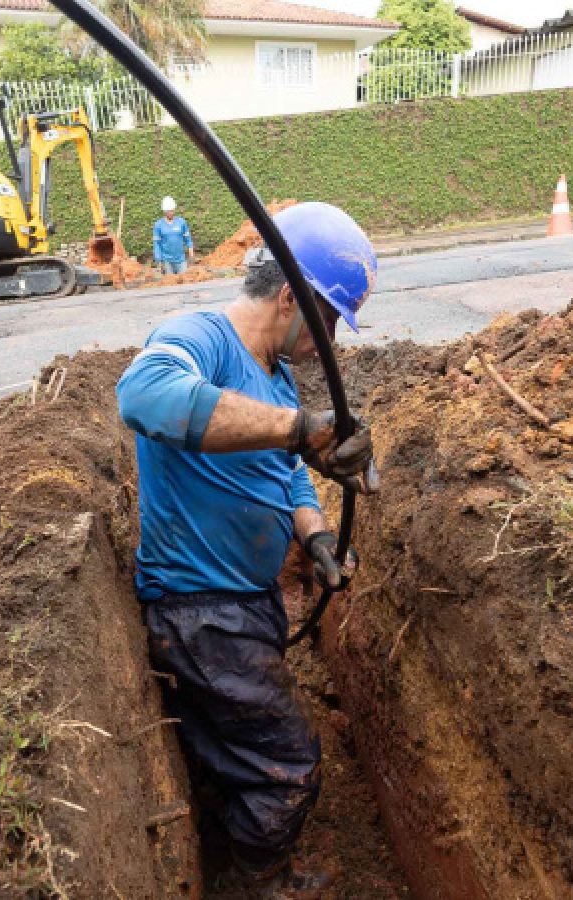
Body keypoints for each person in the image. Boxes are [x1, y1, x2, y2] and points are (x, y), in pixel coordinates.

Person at [116, 202, 378, 898]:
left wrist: (316, 534)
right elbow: (145, 394)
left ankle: (234, 836)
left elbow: (287, 471)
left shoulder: (274, 373)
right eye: (328, 322)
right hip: (201, 612)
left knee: (233, 752)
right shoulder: (198, 335)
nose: (330, 343)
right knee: (287, 762)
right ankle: (257, 881)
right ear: (292, 296)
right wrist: (299, 428)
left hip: (245, 606)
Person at [153, 195, 194, 275]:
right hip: (167, 261)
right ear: (164, 211)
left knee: (185, 282)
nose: (171, 212)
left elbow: (188, 240)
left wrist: (191, 255)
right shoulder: (158, 225)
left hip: (181, 260)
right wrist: (159, 261)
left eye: (172, 210)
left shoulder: (181, 222)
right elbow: (157, 244)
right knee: (170, 284)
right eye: (169, 211)